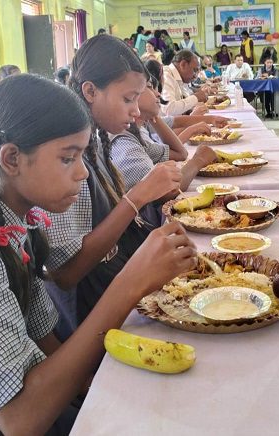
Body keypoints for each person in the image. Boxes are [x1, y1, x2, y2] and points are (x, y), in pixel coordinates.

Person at [0, 73, 197, 434]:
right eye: (68, 158)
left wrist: (118, 396)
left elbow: (49, 348)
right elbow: (20, 420)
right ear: (12, 159)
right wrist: (130, 284)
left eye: (82, 156)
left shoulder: (15, 222)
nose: (82, 173)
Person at [46, 35, 187, 336]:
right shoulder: (66, 158)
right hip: (93, 317)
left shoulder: (98, 142)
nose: (135, 111)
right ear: (90, 91)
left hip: (117, 290)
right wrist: (138, 197)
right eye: (128, 99)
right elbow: (66, 273)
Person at [110, 76, 216, 191]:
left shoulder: (139, 130)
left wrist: (154, 115)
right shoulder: (124, 143)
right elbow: (165, 191)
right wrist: (199, 160)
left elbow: (180, 154)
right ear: (132, 95)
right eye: (150, 87)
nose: (158, 94)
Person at [161, 49, 208, 116]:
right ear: (183, 64)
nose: (195, 76)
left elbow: (184, 101)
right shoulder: (166, 75)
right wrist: (196, 98)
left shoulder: (180, 77)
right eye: (194, 70)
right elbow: (169, 109)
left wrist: (193, 107)